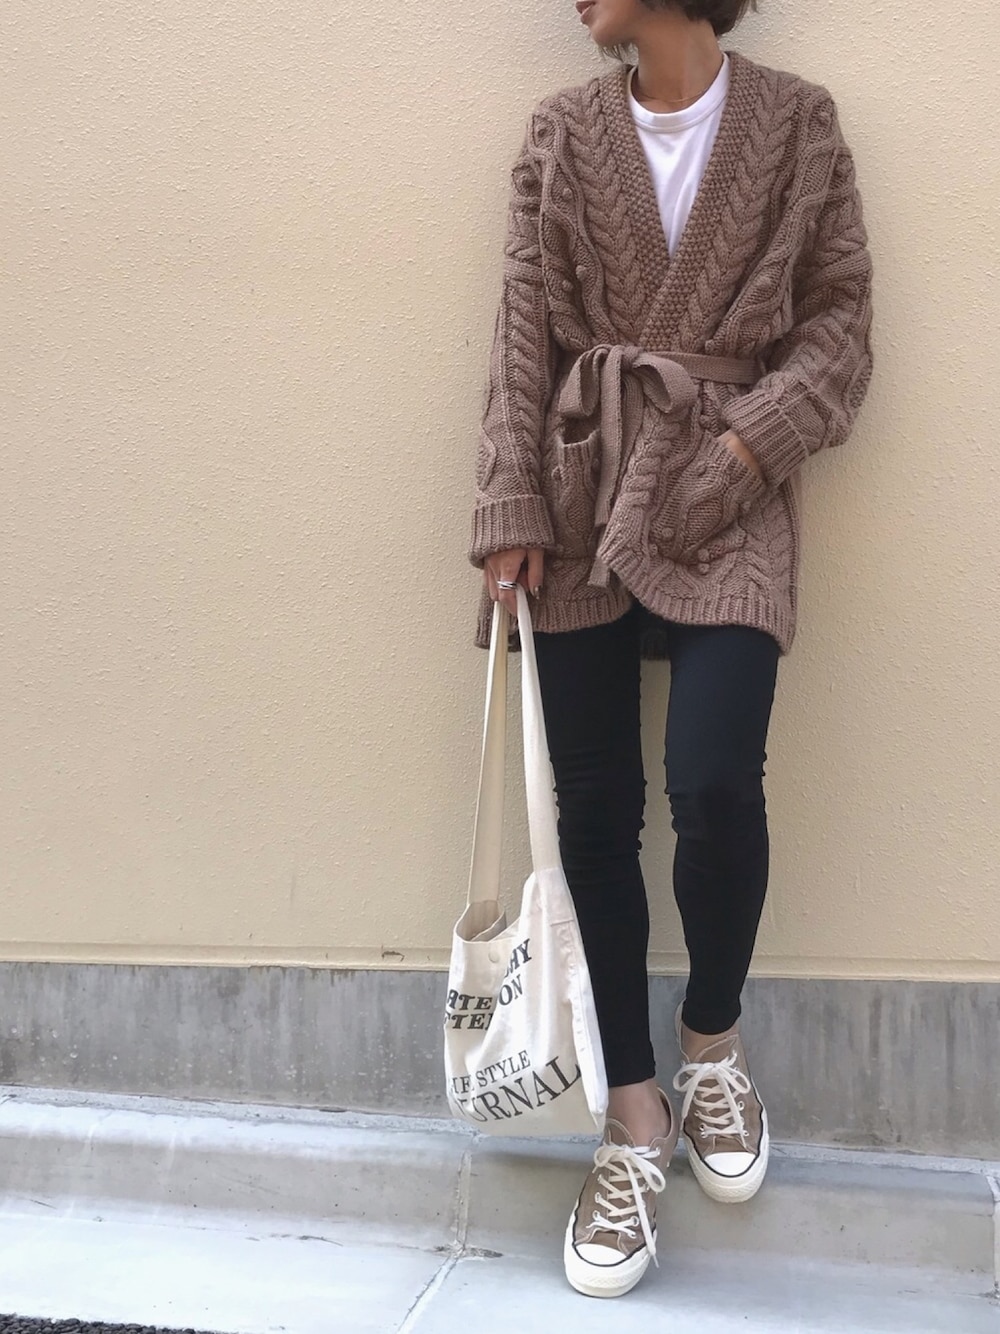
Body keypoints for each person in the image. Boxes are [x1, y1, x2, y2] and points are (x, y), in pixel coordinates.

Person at [469, 0, 873, 1301]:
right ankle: (633, 1116)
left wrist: (745, 451)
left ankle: (712, 1042)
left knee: (711, 780)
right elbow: (522, 336)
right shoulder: (558, 134)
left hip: (729, 491)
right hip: (583, 485)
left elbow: (839, 327)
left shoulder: (799, 127)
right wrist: (510, 506)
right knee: (595, 807)